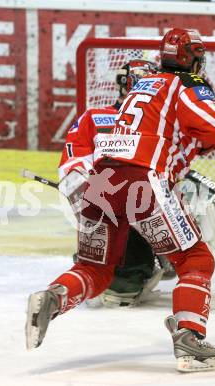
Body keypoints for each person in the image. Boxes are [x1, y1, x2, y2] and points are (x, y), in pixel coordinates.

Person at [25, 28, 215, 372]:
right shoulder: (185, 85)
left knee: (94, 269)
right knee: (195, 260)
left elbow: (195, 134)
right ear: (193, 57)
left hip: (102, 181)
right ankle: (189, 340)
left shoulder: (141, 89)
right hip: (143, 182)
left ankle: (53, 297)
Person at [58, 59, 163, 307]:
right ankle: (119, 272)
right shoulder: (95, 117)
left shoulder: (160, 124)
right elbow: (73, 165)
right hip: (113, 207)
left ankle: (111, 269)